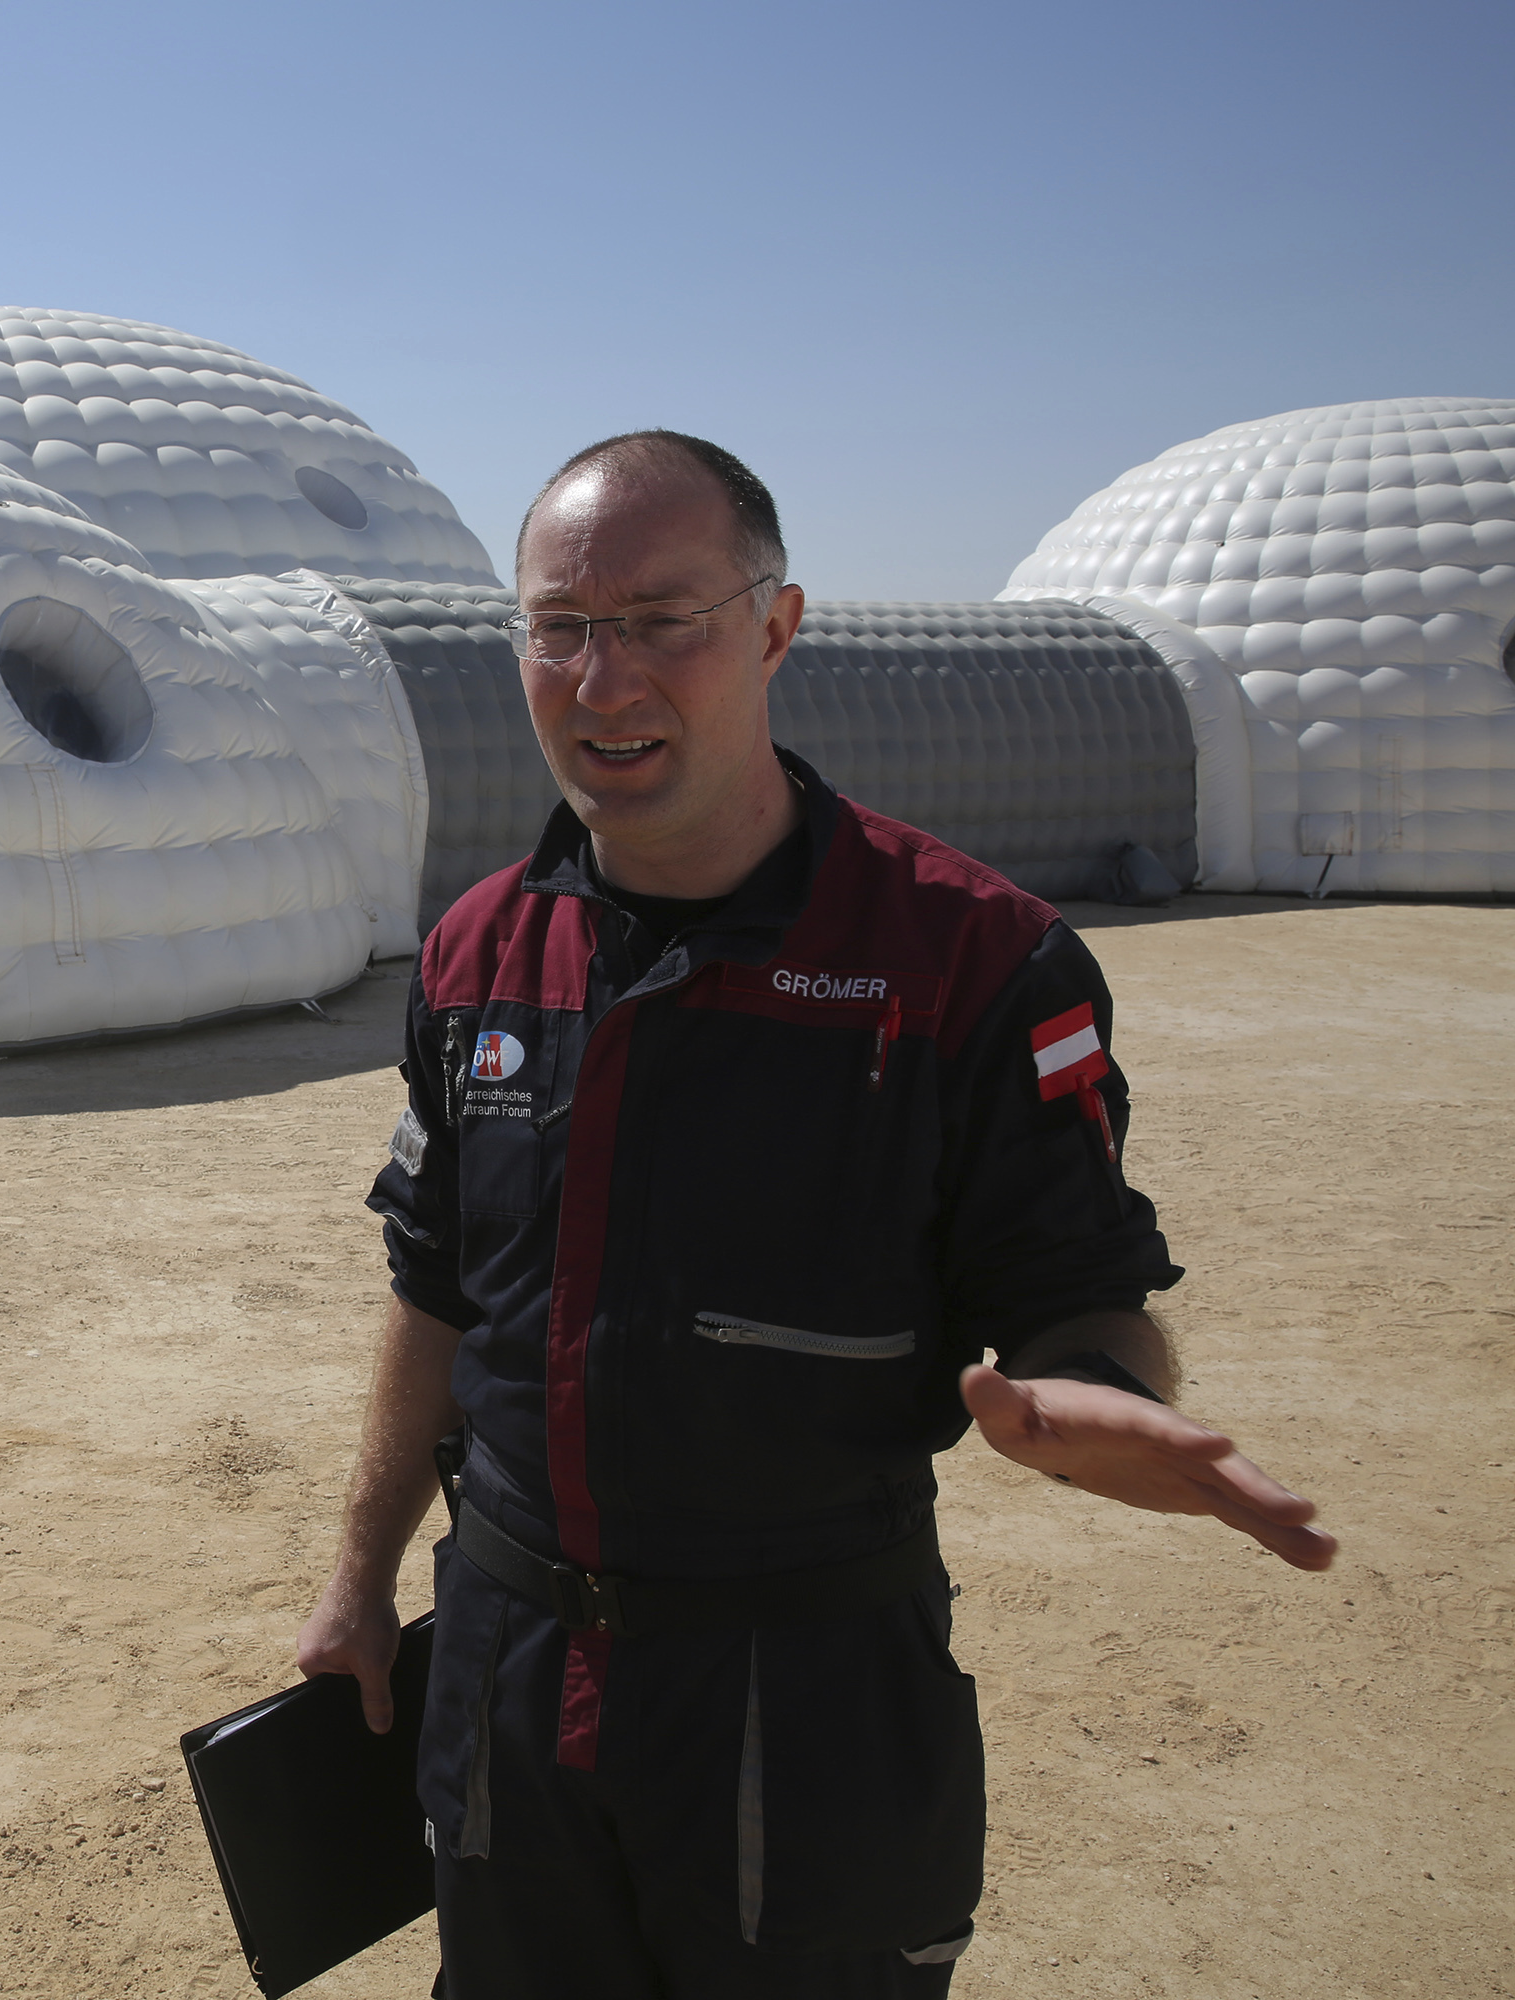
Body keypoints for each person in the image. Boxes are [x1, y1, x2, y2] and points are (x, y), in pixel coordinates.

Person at [293, 431, 1335, 1998]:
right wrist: (362, 1575)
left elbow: (1077, 1294)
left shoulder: (972, 962)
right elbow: (435, 1284)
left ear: (776, 628)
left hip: (806, 1693)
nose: (605, 676)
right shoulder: (480, 952)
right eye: (561, 625)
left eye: (664, 619)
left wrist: (1098, 1400)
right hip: (508, 1670)